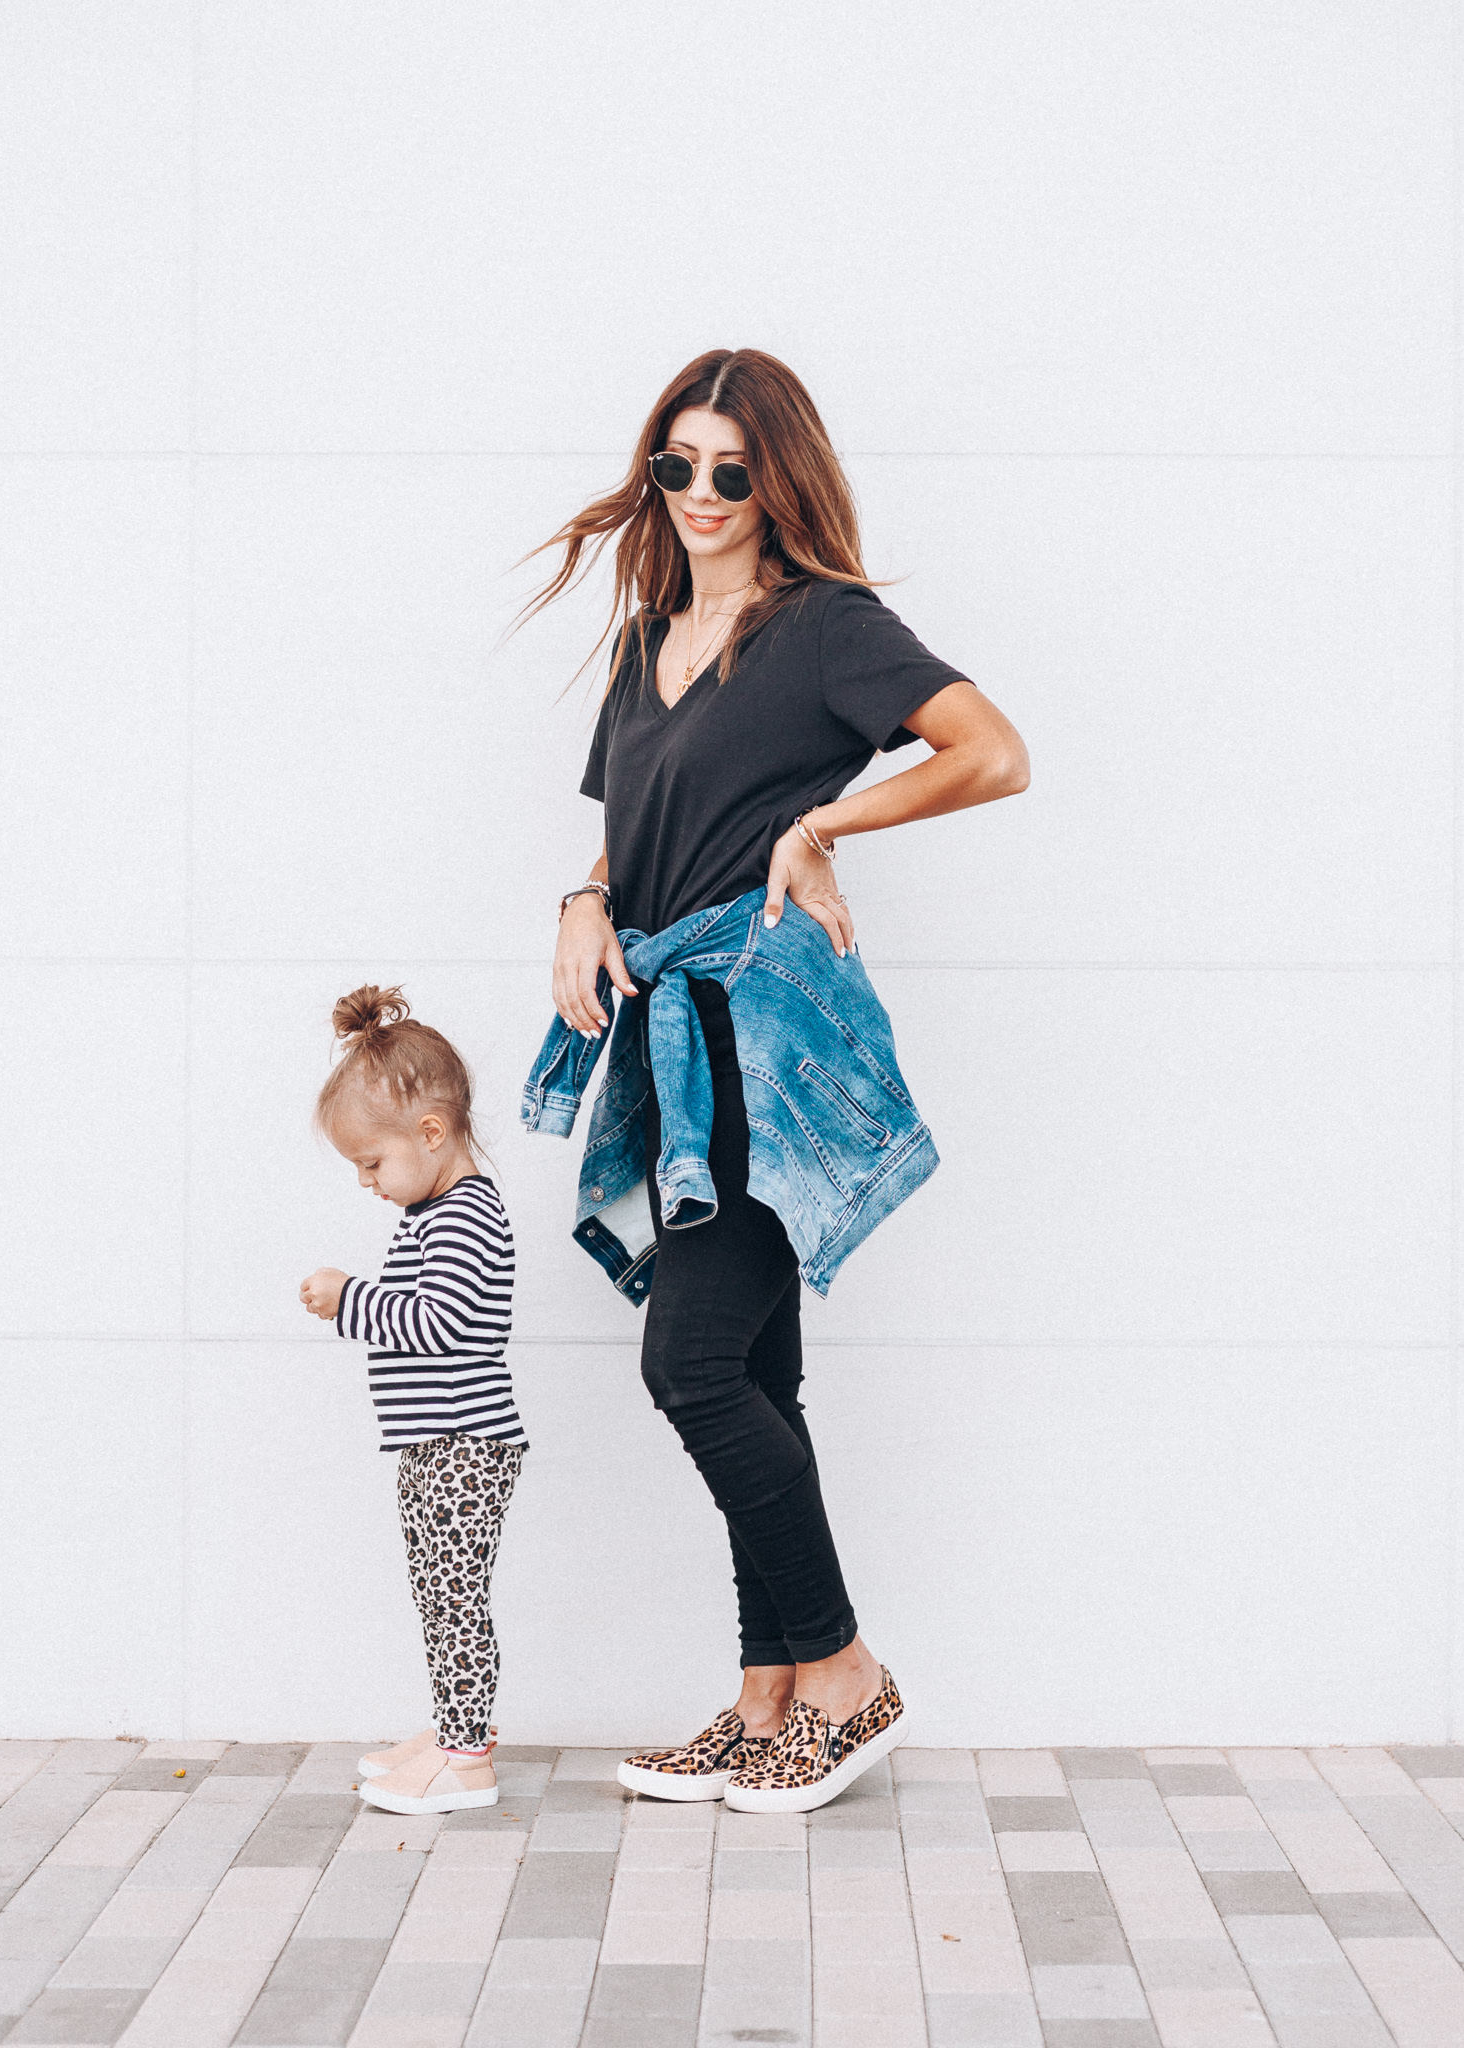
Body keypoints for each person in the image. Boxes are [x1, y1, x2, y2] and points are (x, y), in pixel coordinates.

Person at [520, 348, 1029, 1814]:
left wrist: (827, 824)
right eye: (675, 464)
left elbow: (993, 753)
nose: (698, 494)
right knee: (753, 1371)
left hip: (764, 1032)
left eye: (731, 469)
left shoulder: (827, 631)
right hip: (669, 1032)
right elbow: (633, 828)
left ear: (779, 477)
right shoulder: (644, 640)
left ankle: (850, 1679)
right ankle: (764, 1704)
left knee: (688, 1365)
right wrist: (582, 898)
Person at [300, 985, 526, 1816]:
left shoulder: (464, 1217)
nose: (367, 1183)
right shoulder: (435, 1212)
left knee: (454, 1593)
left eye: (371, 1163)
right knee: (437, 1591)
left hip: (466, 1445)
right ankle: (453, 1728)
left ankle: (468, 1759)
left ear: (430, 1134)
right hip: (439, 1444)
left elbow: (440, 1322)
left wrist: (349, 1299)